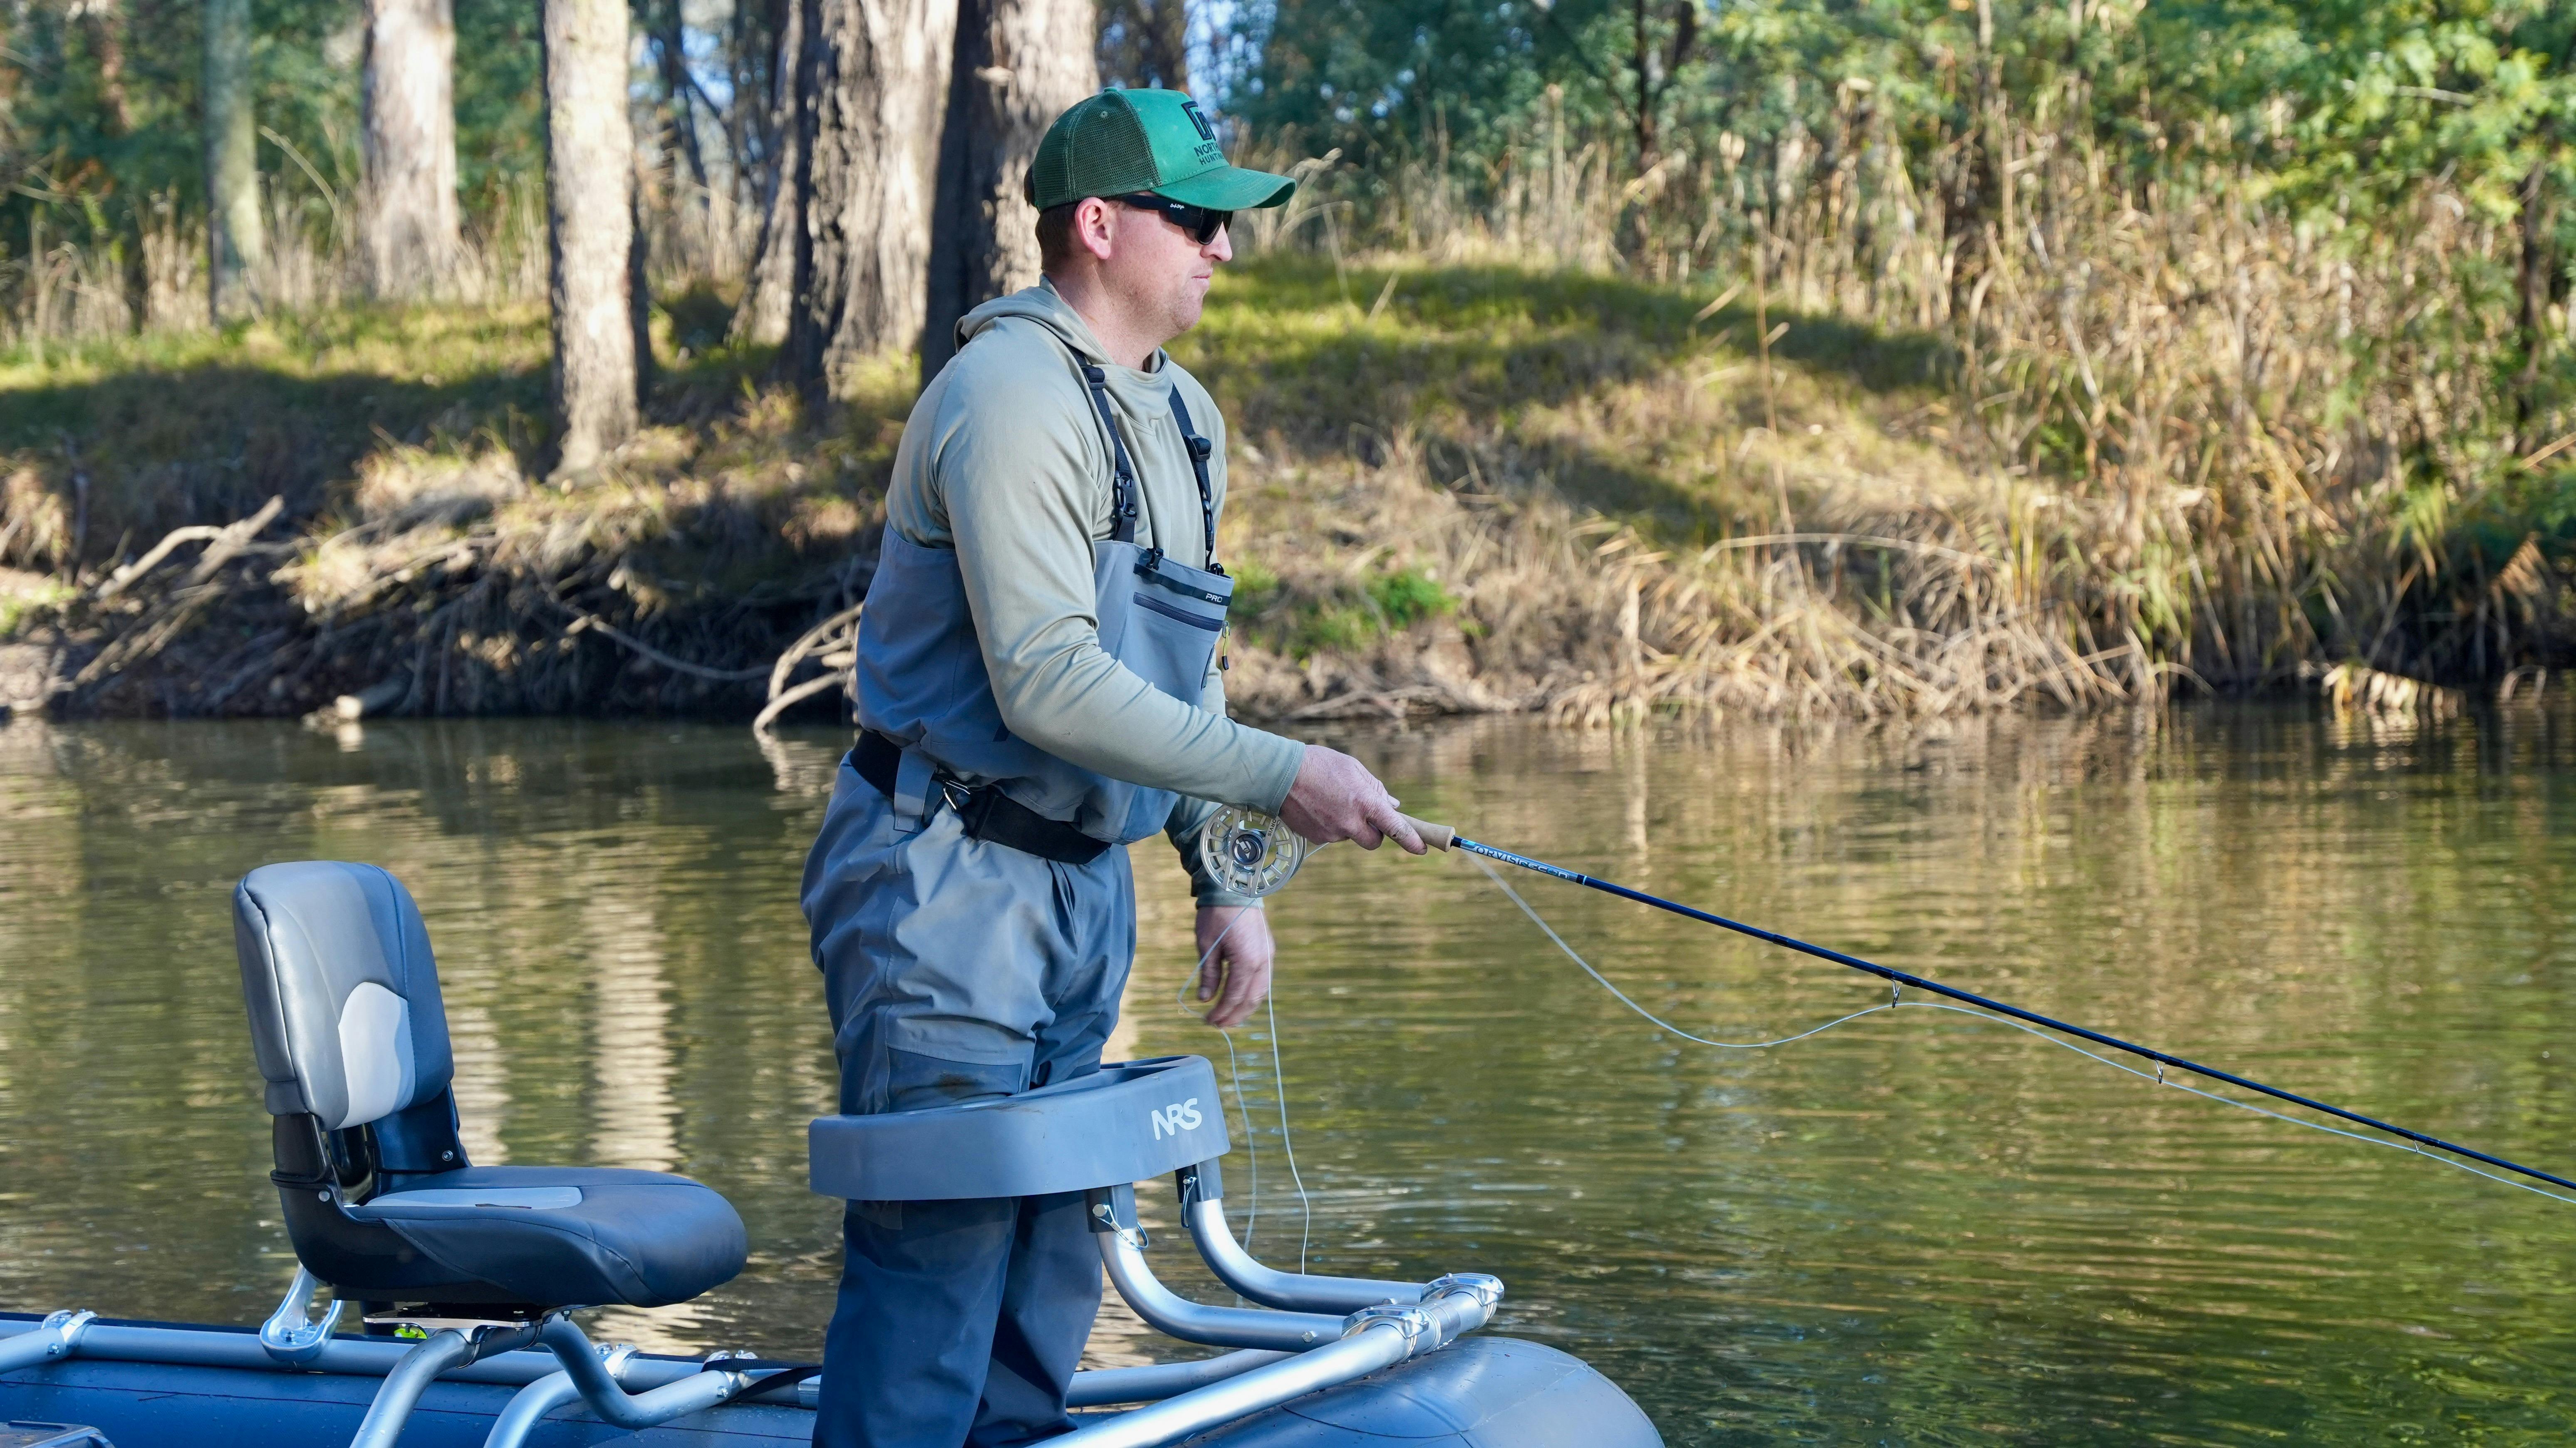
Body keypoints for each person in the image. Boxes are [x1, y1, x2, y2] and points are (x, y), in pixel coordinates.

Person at [799, 87, 1426, 1448]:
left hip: (1085, 889)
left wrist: (1228, 876)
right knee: (940, 1262)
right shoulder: (1009, 396)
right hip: (941, 878)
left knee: (1059, 1262)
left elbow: (1180, 667)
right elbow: (1050, 680)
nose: (1222, 248)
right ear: (1098, 225)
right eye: (1197, 218)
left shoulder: (1184, 412)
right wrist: (1282, 774)